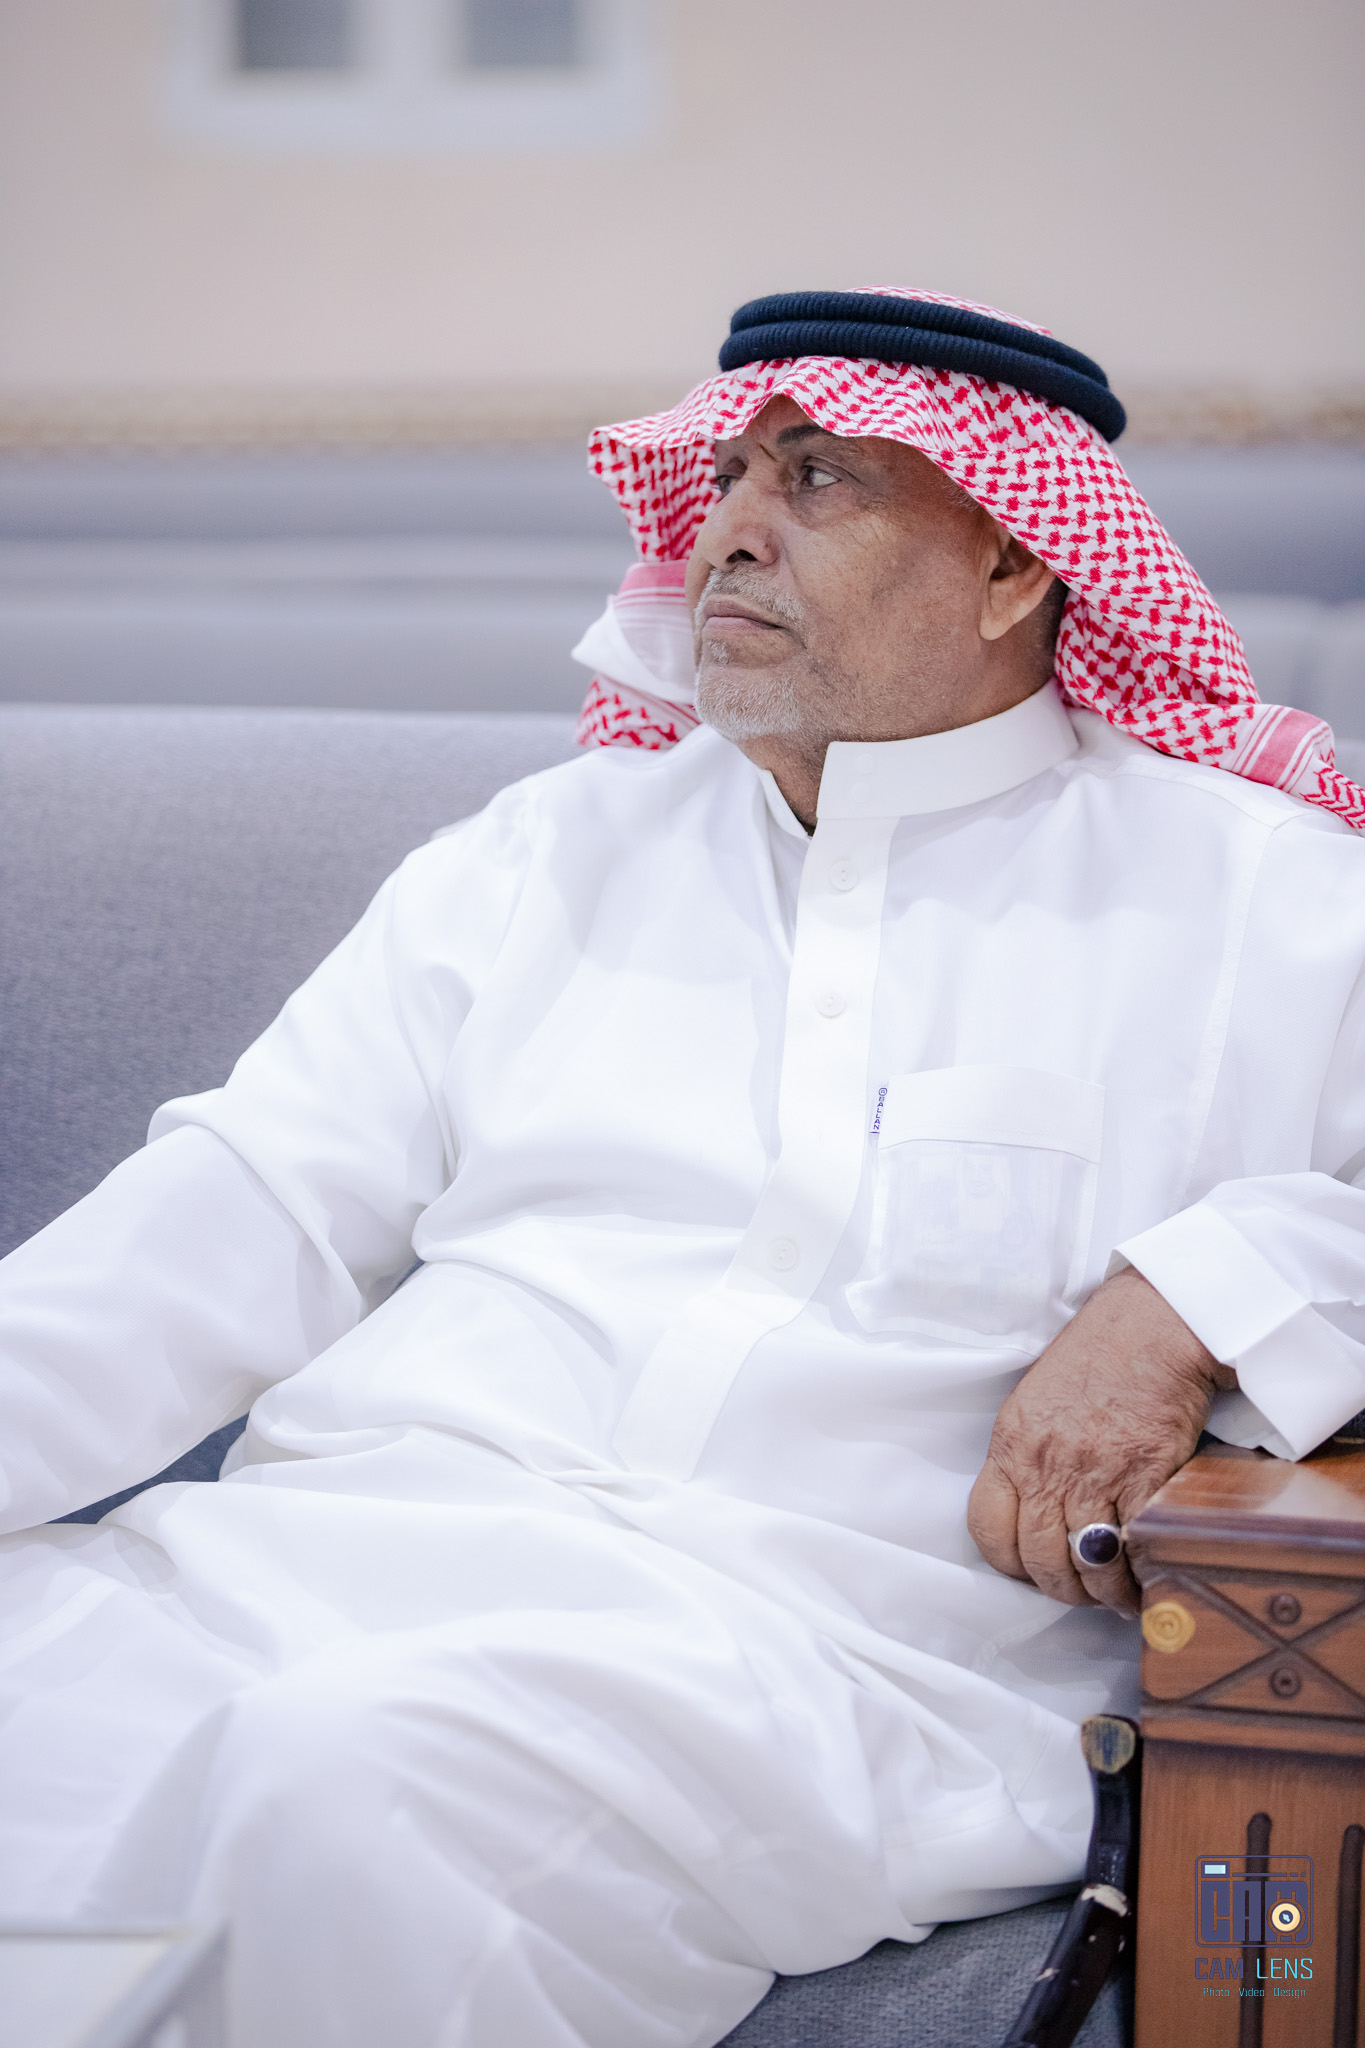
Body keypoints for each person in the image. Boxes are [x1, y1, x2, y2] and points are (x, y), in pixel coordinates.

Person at [3, 285, 1365, 2048]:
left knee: (338, 1778)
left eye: (819, 479)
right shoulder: (543, 853)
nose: (730, 528)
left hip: (814, 1660)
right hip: (321, 1556)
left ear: (1016, 564)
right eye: (726, 476)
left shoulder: (1264, 901)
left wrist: (1199, 1295)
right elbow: (238, 1207)